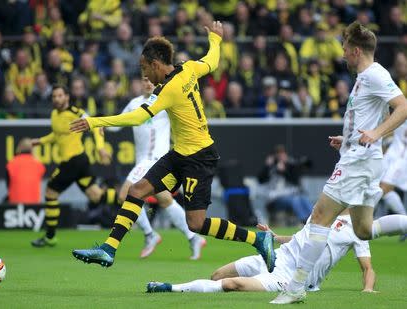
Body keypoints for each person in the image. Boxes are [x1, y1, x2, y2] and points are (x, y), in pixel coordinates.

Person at [69, 21, 275, 271]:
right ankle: (109, 249)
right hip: (180, 154)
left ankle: (258, 239)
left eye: (146, 69)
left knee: (196, 223)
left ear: (156, 65)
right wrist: (216, 40)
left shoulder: (168, 88)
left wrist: (93, 121)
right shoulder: (188, 68)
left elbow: (138, 117)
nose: (145, 76)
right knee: (136, 191)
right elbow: (212, 61)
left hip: (199, 158)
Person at [271, 22, 407, 304]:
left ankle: (295, 287)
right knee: (363, 229)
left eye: (345, 48)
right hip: (363, 158)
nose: (342, 54)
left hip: (359, 163)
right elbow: (367, 119)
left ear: (356, 50)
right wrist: (346, 140)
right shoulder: (366, 76)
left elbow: (403, 106)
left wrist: (377, 134)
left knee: (320, 216)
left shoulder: (374, 75)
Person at [146, 209, 376, 294]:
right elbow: (301, 238)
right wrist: (275, 237)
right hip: (276, 256)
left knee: (231, 284)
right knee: (218, 275)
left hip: (292, 277)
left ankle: (169, 288)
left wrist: (367, 289)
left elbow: (367, 268)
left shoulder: (358, 228)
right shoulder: (324, 209)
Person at [108, 76, 206, 259]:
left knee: (125, 195)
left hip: (155, 159)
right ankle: (193, 237)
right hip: (143, 161)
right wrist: (98, 123)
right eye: (143, 79)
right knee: (165, 199)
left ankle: (150, 234)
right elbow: (119, 123)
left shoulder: (165, 100)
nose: (147, 83)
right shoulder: (134, 103)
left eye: (150, 80)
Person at [30, 84, 114, 248]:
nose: (57, 99)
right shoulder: (54, 114)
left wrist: (100, 148)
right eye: (54, 96)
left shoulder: (75, 113)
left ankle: (50, 236)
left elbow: (95, 125)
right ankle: (127, 198)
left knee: (50, 192)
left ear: (67, 97)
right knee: (96, 195)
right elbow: (57, 134)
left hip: (73, 161)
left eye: (60, 95)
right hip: (78, 163)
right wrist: (39, 141)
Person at [379, 121, 407, 219]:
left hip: (402, 156)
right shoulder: (400, 107)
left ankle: (404, 221)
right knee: (376, 187)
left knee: (384, 188)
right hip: (392, 152)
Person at [6, 138, 45, 204]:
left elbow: (8, 185)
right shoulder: (39, 165)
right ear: (32, 150)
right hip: (34, 205)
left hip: (15, 204)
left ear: (18, 148)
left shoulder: (11, 164)